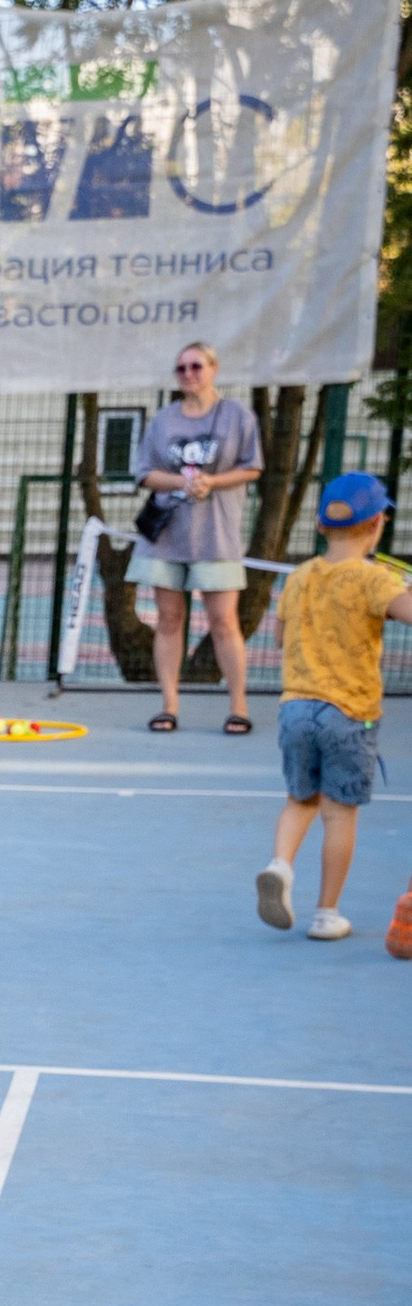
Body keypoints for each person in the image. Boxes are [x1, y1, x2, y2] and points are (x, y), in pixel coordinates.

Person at [254, 472, 411, 945]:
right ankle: (327, 913)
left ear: (322, 526)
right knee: (340, 814)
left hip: (295, 708)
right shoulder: (375, 579)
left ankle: (279, 864)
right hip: (349, 712)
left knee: (300, 799)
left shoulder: (300, 577)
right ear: (378, 524)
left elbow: (280, 637)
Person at [127, 344, 261, 733]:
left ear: (214, 369)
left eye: (196, 366)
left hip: (217, 536)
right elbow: (145, 473)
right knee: (169, 618)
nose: (188, 374)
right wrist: (182, 481)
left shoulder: (237, 416)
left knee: (223, 621)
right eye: (181, 368)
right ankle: (169, 705)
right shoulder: (164, 420)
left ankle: (238, 706)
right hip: (167, 536)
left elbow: (252, 467)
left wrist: (212, 481)